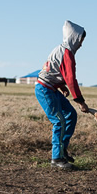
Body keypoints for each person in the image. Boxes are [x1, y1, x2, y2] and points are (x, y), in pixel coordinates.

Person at [35, 20, 89, 170]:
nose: (81, 44)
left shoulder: (61, 49)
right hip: (45, 89)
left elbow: (53, 70)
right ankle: (56, 158)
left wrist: (61, 86)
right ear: (74, 38)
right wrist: (80, 101)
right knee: (59, 121)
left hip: (52, 88)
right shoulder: (67, 54)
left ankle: (62, 149)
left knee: (70, 115)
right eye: (80, 40)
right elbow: (71, 79)